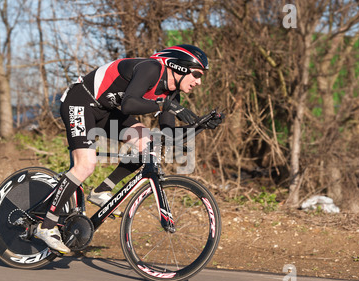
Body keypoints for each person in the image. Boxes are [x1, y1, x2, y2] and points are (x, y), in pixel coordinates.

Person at [34, 44, 222, 253]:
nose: (199, 81)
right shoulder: (151, 68)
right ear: (177, 67)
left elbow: (168, 138)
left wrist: (199, 126)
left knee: (150, 144)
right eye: (196, 74)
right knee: (85, 165)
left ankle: (102, 190)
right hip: (80, 101)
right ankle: (46, 225)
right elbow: (129, 104)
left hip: (105, 111)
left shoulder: (172, 94)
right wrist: (165, 106)